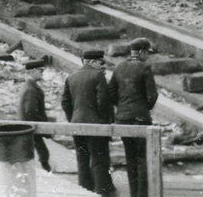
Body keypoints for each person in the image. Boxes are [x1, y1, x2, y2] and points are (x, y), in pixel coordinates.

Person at [108, 38, 158, 197]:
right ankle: (142, 194)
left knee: (130, 157)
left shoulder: (119, 67)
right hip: (140, 118)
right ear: (142, 52)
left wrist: (122, 106)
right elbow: (152, 95)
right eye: (147, 53)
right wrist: (144, 107)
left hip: (123, 119)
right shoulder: (145, 67)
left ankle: (134, 193)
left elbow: (111, 92)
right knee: (142, 157)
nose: (148, 56)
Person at [61, 49, 115, 197]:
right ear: (92, 62)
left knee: (82, 159)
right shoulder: (97, 75)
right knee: (99, 161)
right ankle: (102, 193)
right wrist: (103, 120)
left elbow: (65, 102)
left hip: (77, 125)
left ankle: (84, 191)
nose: (101, 66)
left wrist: (73, 118)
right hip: (95, 125)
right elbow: (103, 101)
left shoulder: (71, 77)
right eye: (100, 62)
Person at [17, 58, 52, 172]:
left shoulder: (29, 87)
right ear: (32, 71)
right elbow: (30, 111)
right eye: (40, 70)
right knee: (43, 154)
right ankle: (46, 172)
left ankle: (44, 171)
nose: (42, 73)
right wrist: (40, 125)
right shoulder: (31, 89)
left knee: (40, 153)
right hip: (31, 128)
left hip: (28, 128)